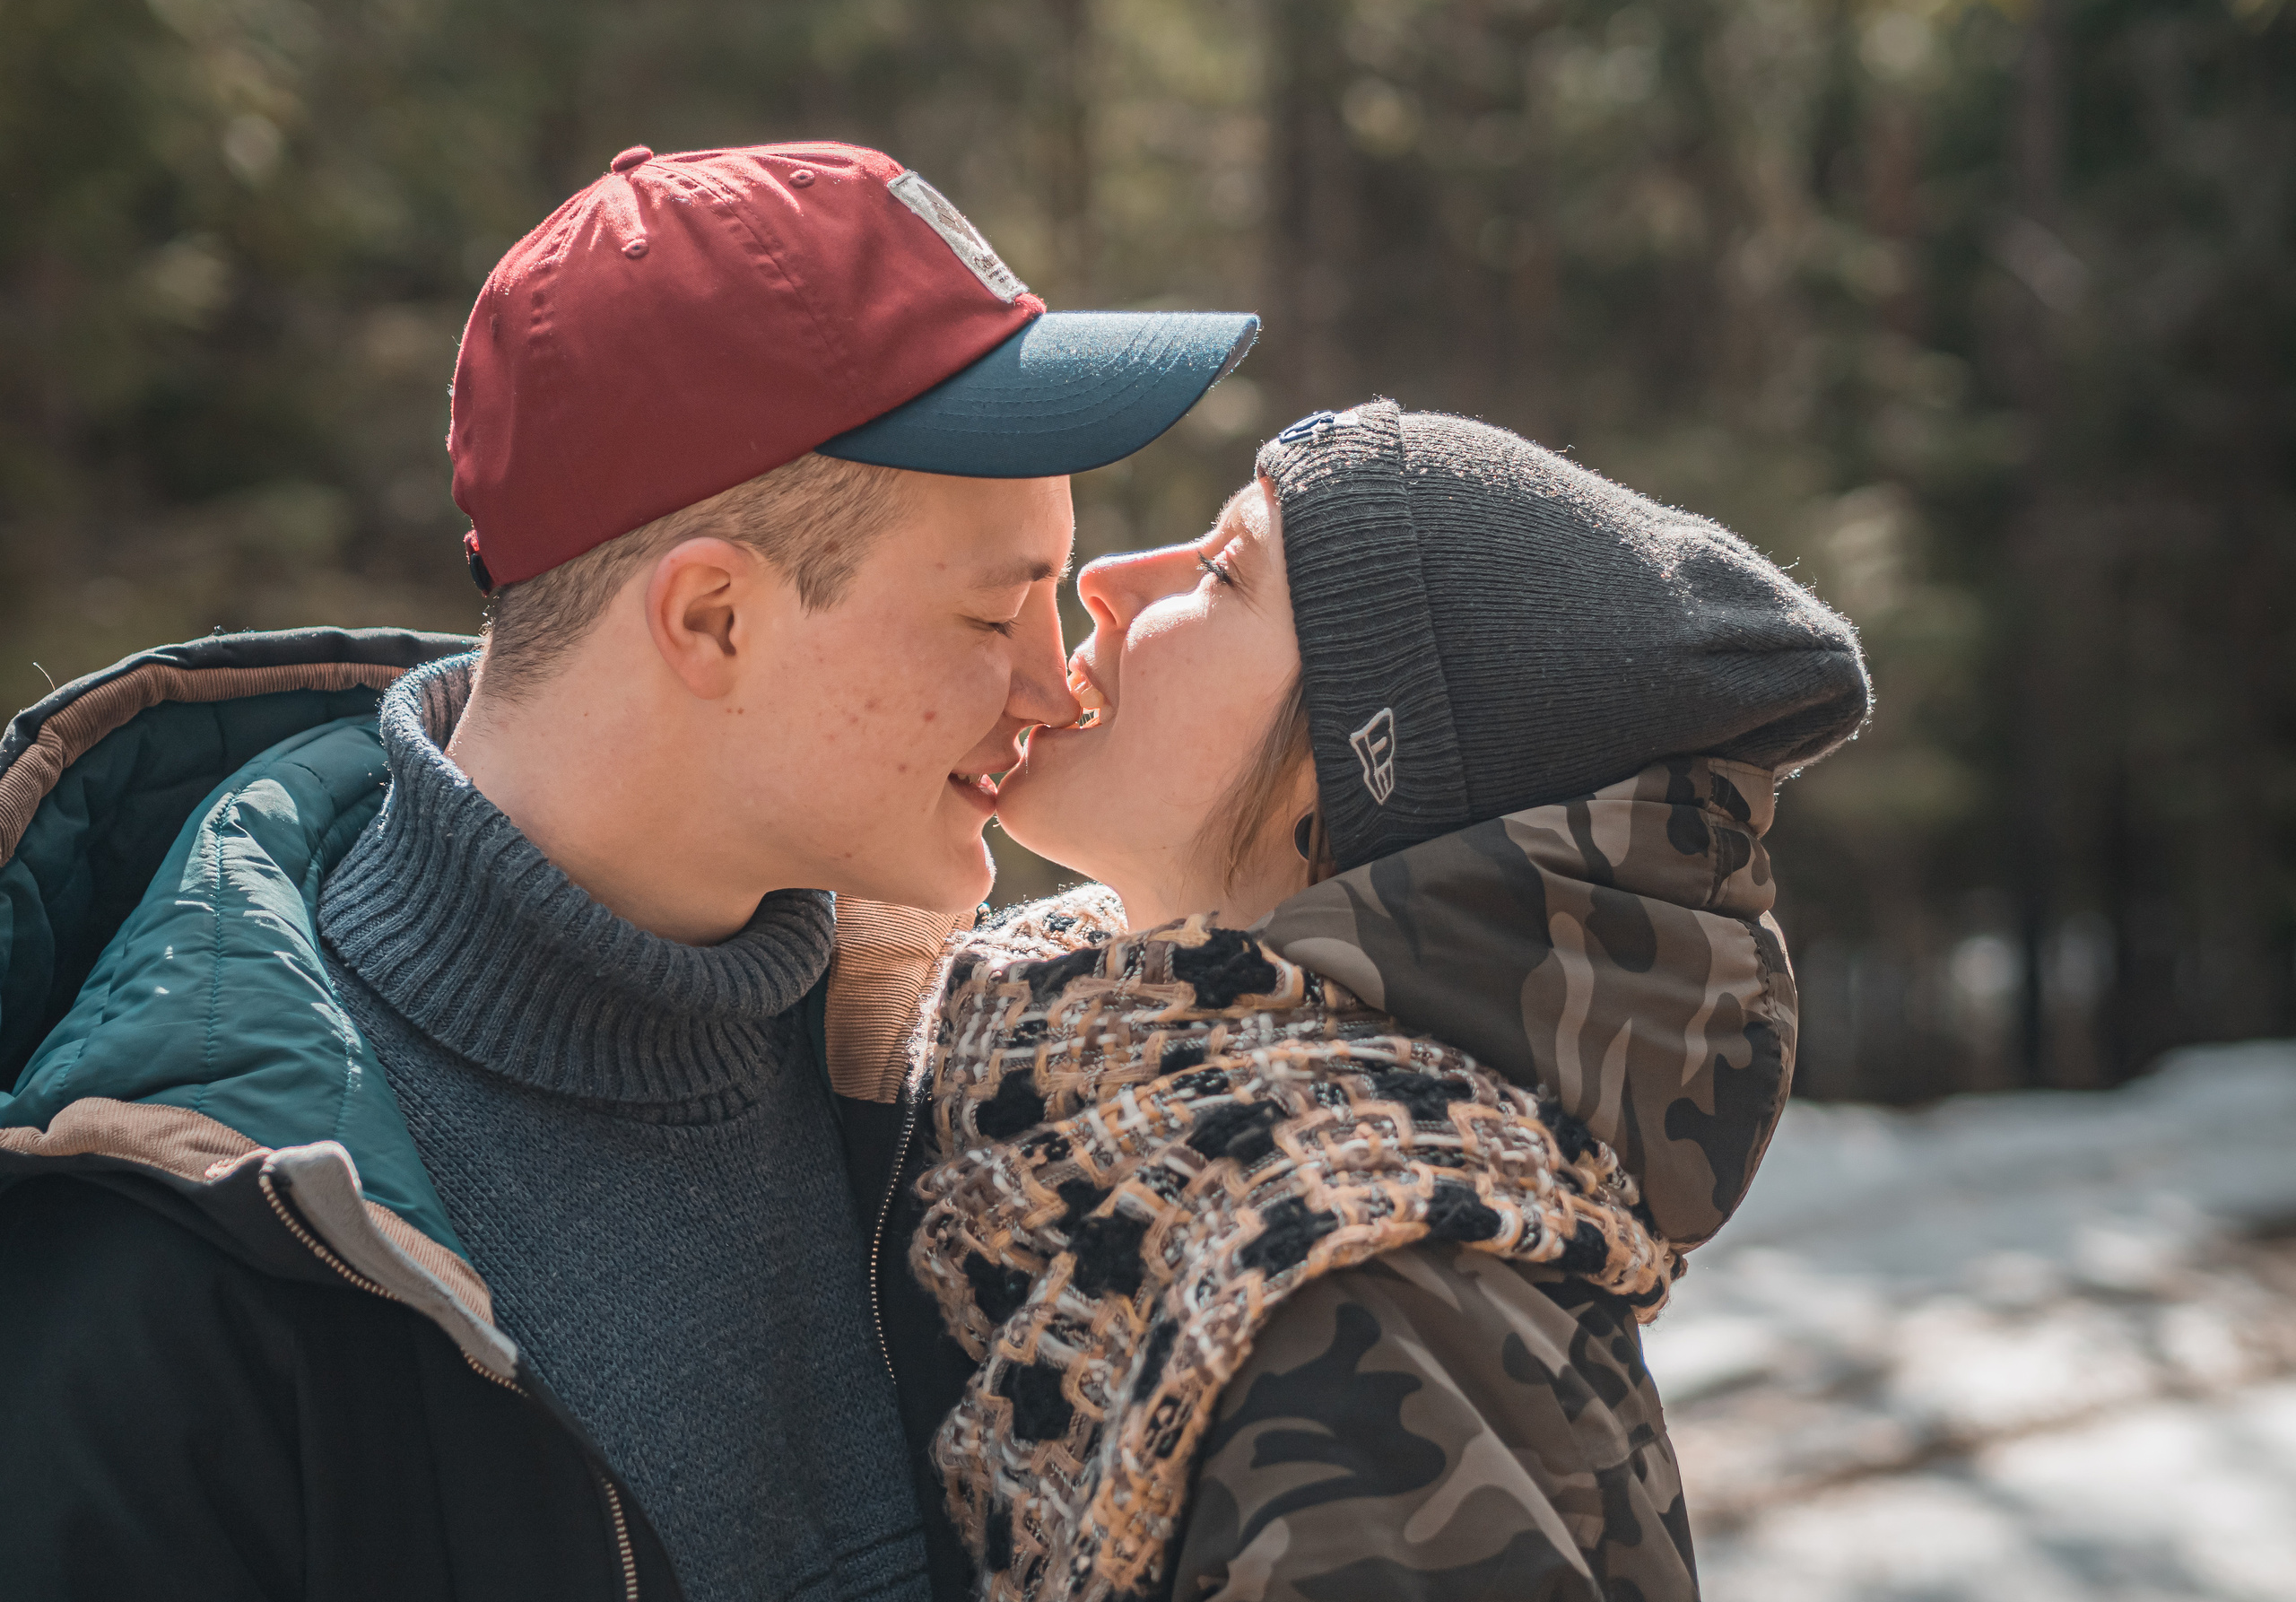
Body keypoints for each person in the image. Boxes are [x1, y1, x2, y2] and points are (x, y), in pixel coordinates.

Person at [0, 142, 1255, 1602]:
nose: (1060, 689)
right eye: (995, 618)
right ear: (714, 619)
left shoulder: (990, 1086)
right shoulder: (193, 1254)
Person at [859, 401, 1869, 1600]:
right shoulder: (1061, 1119)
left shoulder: (1369, 1313)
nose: (1111, 584)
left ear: (1347, 790)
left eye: (1227, 570)